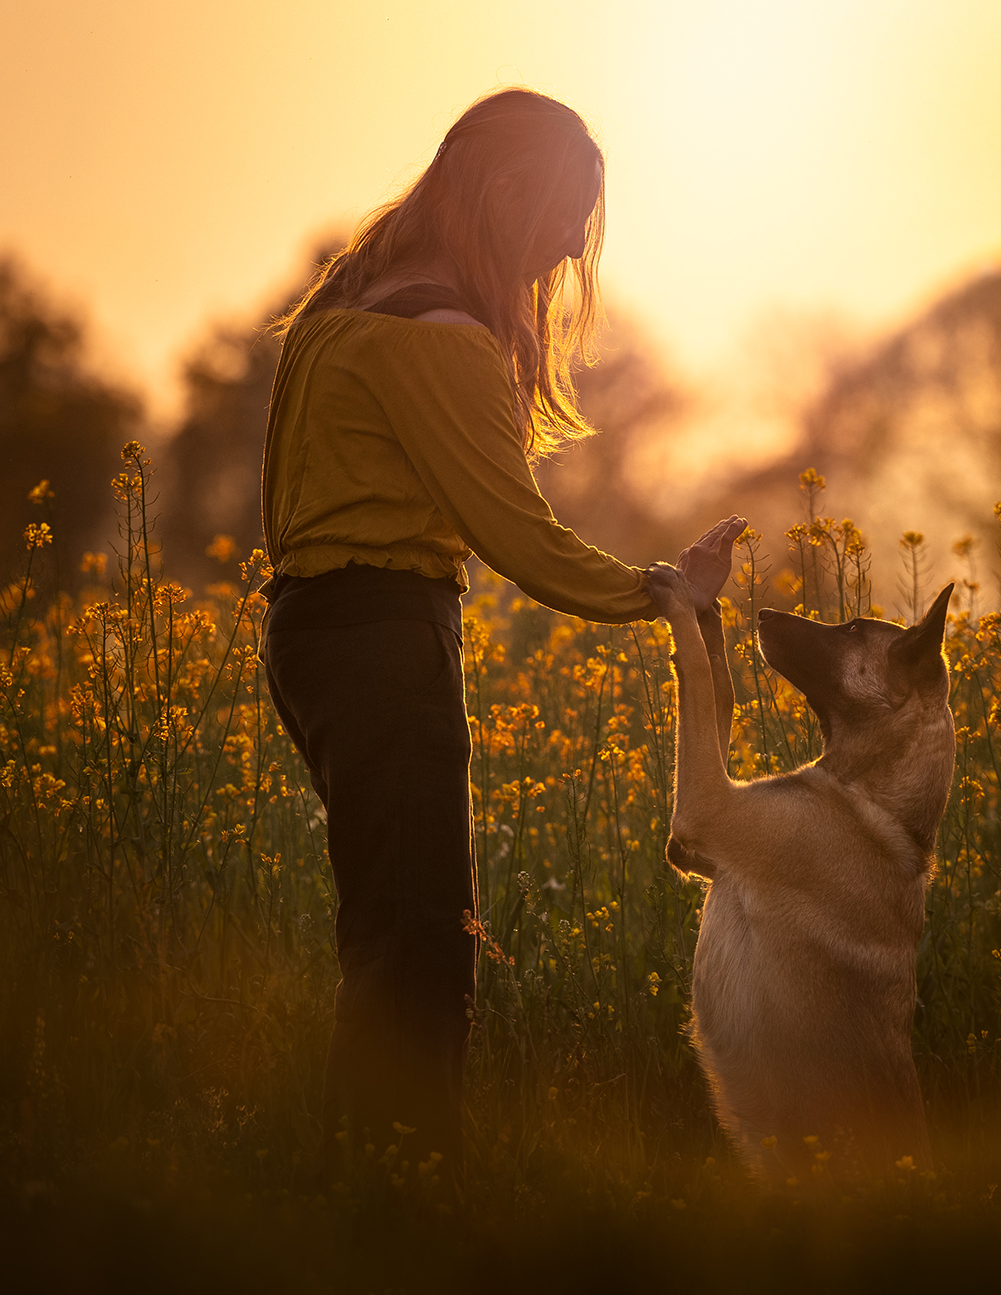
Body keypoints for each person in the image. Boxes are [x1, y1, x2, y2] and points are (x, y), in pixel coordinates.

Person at [259, 86, 741, 1182]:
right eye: (563, 216)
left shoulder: (341, 308)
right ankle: (402, 1195)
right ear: (506, 189)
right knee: (423, 948)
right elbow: (521, 538)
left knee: (387, 936)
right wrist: (663, 592)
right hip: (384, 639)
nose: (569, 247)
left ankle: (361, 1191)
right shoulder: (442, 339)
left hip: (311, 632)